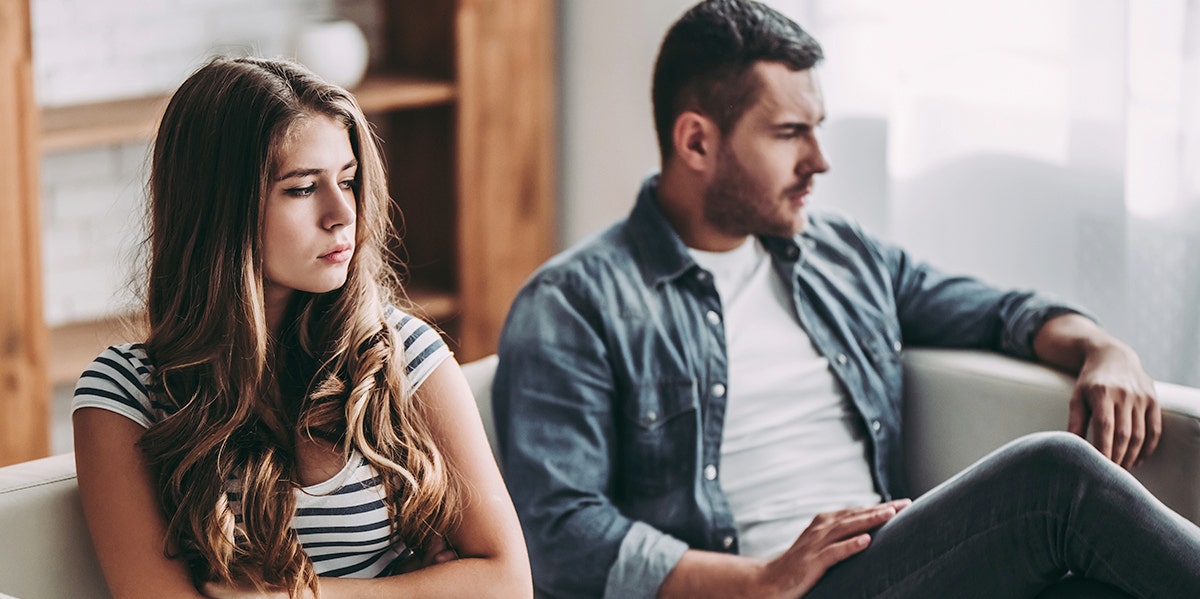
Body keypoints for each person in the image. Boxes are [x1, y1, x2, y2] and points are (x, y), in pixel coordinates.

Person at [491, 1, 1200, 597]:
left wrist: (1100, 346)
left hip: (887, 565)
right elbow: (559, 531)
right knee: (1058, 479)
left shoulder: (839, 254)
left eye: (818, 128)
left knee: (1091, 586)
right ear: (697, 141)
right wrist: (763, 578)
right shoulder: (574, 303)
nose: (819, 161)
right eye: (790, 133)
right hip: (770, 588)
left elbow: (997, 313)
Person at [71, 57, 531, 599]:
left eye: (348, 180)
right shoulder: (124, 396)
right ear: (221, 210)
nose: (342, 213)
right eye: (302, 189)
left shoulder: (403, 351)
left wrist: (292, 596)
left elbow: (506, 583)